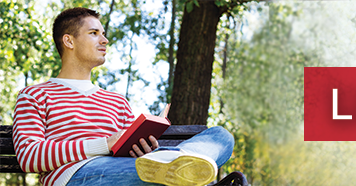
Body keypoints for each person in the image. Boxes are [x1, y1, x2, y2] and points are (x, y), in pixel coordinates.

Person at [11, 7, 234, 186]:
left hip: (128, 170)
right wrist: (105, 143)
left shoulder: (117, 101)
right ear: (69, 41)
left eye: (104, 34)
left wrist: (146, 147)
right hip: (76, 175)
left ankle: (176, 161)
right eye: (94, 33)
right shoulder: (35, 95)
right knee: (157, 172)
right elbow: (29, 155)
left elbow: (132, 151)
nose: (105, 40)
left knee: (221, 136)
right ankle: (173, 166)